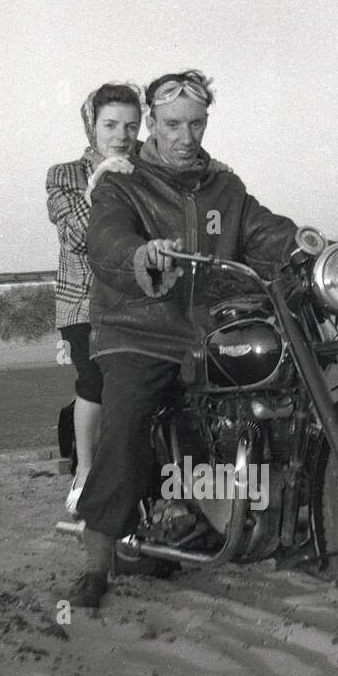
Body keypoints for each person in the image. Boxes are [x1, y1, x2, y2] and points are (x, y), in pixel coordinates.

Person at [74, 68, 298, 609]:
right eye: (173, 123)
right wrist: (140, 254)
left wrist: (309, 246)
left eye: (196, 123)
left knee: (289, 386)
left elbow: (264, 231)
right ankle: (97, 561)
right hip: (140, 328)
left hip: (210, 329)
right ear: (152, 121)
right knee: (125, 415)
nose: (185, 136)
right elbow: (104, 238)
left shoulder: (224, 185)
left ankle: (278, 512)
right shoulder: (121, 181)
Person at [46, 81, 143, 519]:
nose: (121, 136)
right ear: (92, 126)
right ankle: (85, 471)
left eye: (131, 125)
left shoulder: (150, 167)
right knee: (96, 381)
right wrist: (101, 181)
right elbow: (78, 237)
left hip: (137, 299)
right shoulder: (65, 175)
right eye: (110, 124)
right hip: (84, 301)